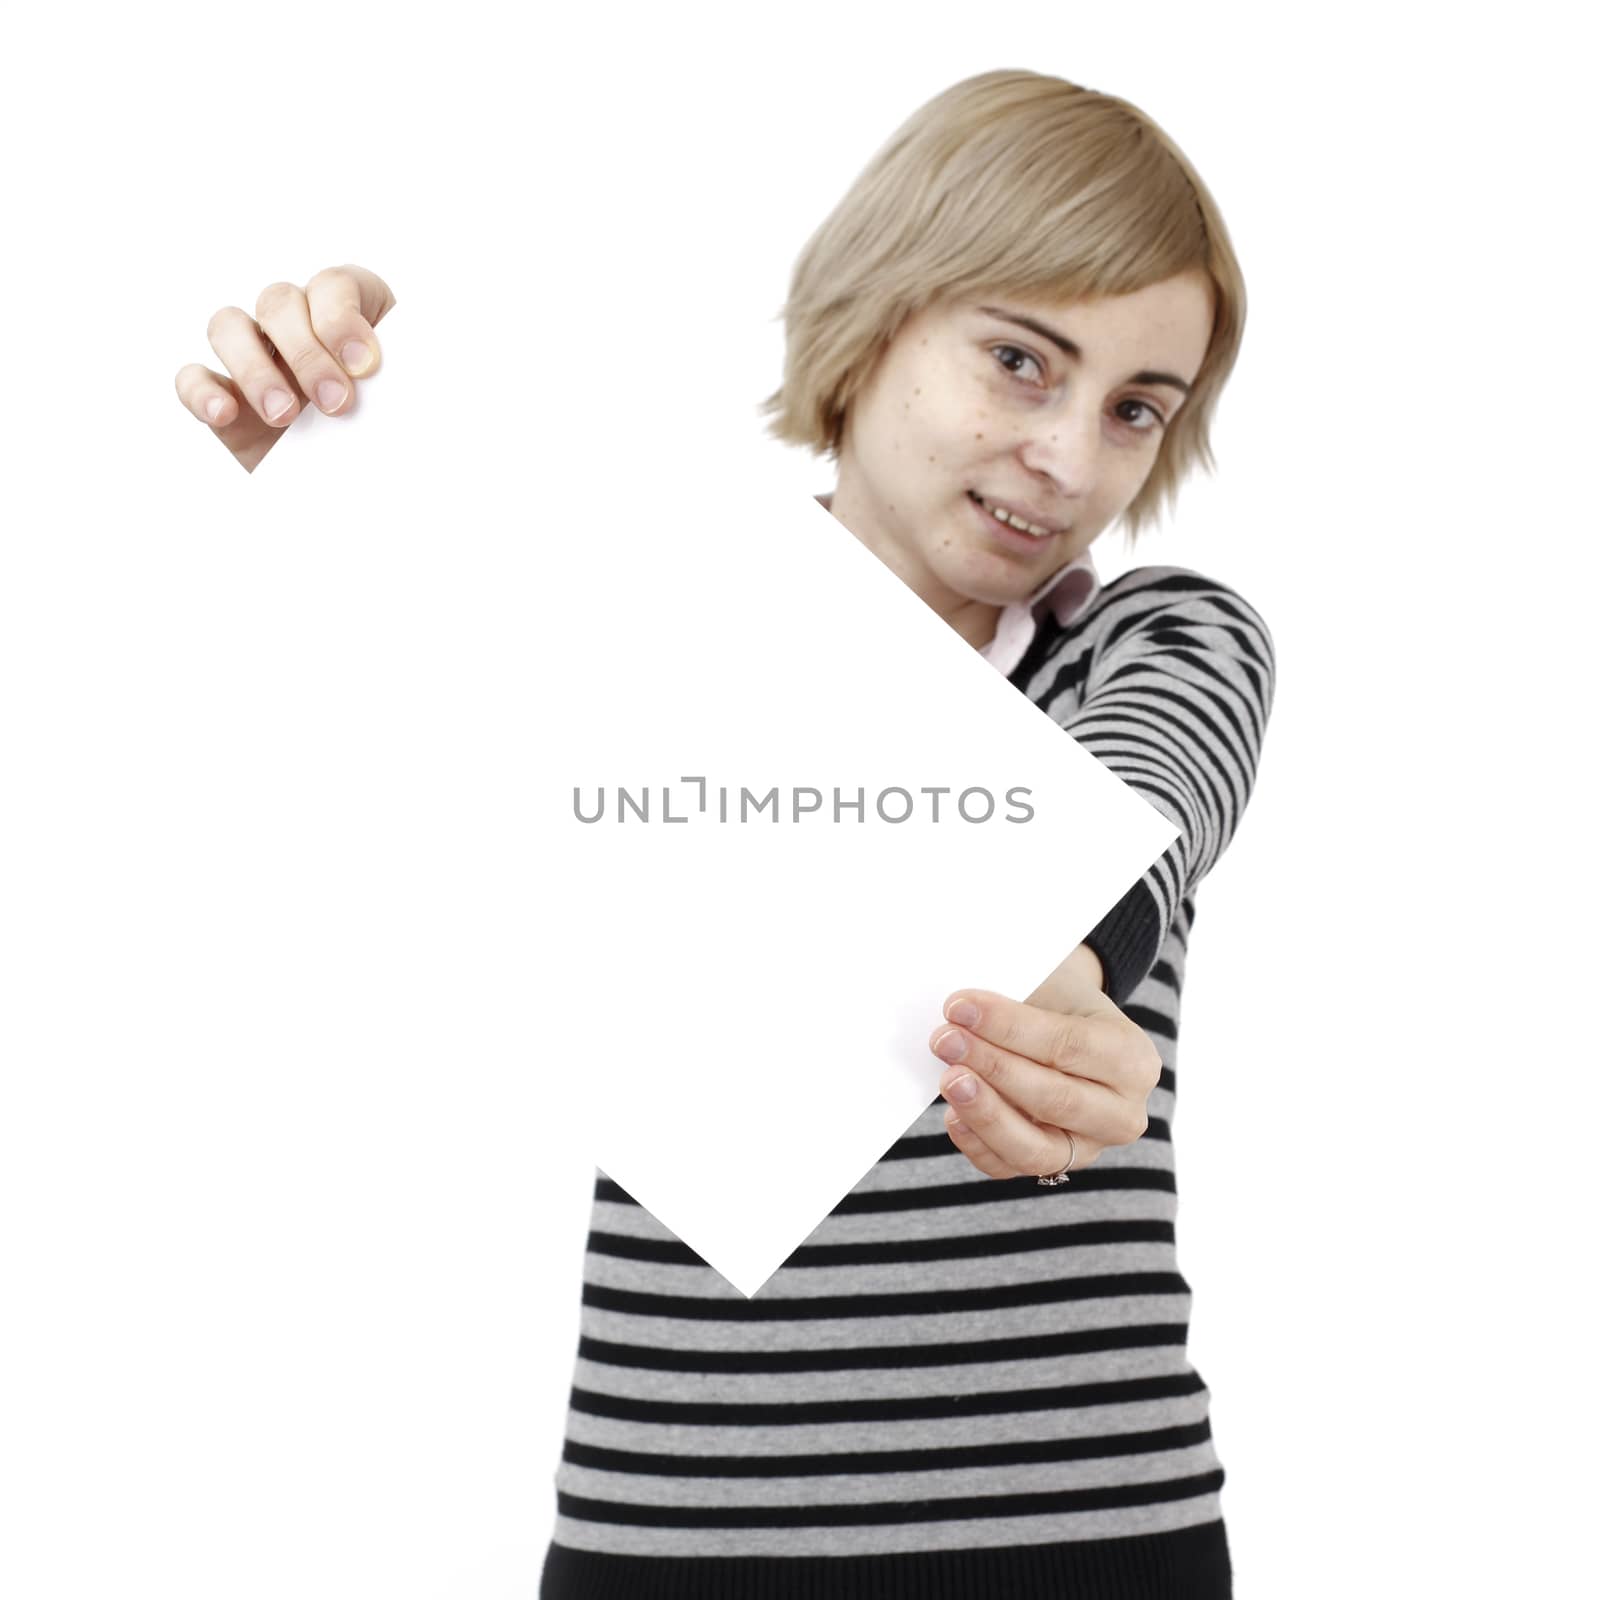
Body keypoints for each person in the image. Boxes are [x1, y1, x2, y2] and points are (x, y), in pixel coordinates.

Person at [173, 68, 1276, 1600]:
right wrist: (332, 427)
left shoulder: (1147, 638)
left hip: (1094, 1532)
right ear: (879, 314)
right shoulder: (631, 630)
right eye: (1024, 361)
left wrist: (1079, 954)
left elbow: (1157, 790)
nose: (1072, 459)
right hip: (681, 1523)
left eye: (1135, 410)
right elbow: (417, 636)